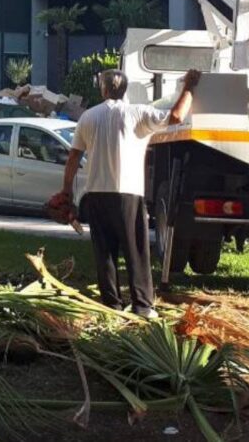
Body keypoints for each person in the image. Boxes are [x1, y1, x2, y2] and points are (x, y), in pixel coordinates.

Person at [54, 68, 201, 319]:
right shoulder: (138, 113)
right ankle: (143, 305)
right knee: (136, 250)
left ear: (103, 89)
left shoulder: (88, 117)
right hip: (128, 192)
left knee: (105, 252)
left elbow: (73, 158)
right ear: (125, 89)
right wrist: (189, 87)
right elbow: (176, 116)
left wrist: (66, 192)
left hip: (96, 192)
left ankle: (111, 304)